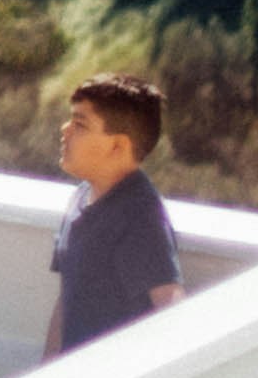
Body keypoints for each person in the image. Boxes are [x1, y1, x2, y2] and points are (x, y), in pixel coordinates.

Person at [45, 74, 183, 354]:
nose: (65, 129)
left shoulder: (139, 214)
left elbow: (170, 303)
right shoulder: (80, 197)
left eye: (80, 124)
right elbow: (67, 300)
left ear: (118, 145)